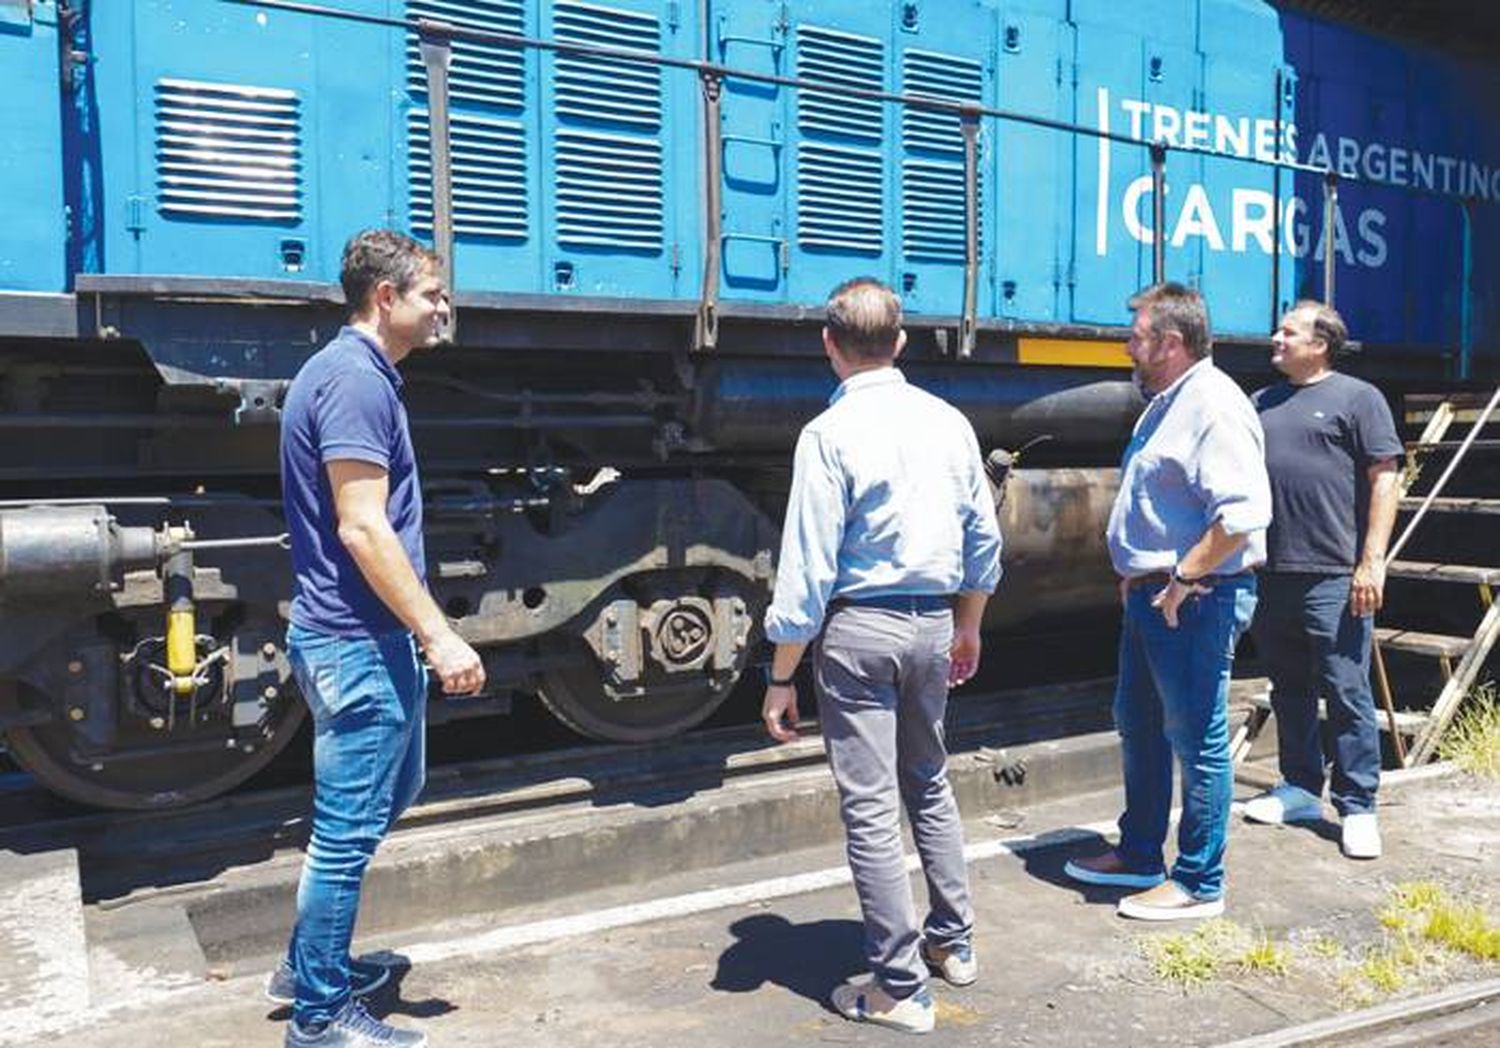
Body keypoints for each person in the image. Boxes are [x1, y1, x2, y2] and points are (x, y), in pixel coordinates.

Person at [761, 277, 1002, 1034]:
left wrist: (780, 676)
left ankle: (898, 987)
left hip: (861, 633)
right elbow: (983, 541)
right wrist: (969, 624)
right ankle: (951, 943)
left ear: (829, 345)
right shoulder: (949, 421)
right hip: (934, 626)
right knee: (927, 781)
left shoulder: (827, 436)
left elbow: (806, 571)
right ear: (900, 343)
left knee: (869, 808)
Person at [273, 229, 485, 1048]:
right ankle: (318, 1014)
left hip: (358, 641)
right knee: (345, 833)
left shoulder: (355, 374)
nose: (444, 309)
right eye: (433, 295)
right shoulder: (356, 382)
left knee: (383, 800)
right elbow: (363, 528)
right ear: (386, 299)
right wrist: (439, 636)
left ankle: (310, 963)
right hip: (356, 643)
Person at [1063, 282, 1270, 921]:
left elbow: (1242, 514)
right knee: (1141, 724)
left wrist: (1180, 576)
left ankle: (1200, 882)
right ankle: (1140, 854)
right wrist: (1141, 570)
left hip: (1195, 598)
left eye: (1136, 336)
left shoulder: (1212, 405)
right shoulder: (1166, 402)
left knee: (1196, 736)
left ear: (1170, 343)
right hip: (1157, 597)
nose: (1128, 345)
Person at [1244, 302, 1402, 860]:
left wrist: (1371, 561)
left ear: (1321, 343)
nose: (1276, 338)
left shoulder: (1360, 399)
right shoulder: (1261, 402)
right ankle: (1301, 787)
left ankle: (1358, 806)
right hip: (1271, 571)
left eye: (1289, 331)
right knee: (1288, 686)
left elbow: (1386, 480)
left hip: (1334, 572)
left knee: (1346, 689)